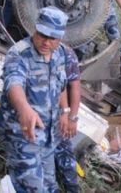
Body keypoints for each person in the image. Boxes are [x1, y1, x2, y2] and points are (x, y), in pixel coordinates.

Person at [0, 6, 70, 192]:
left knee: (49, 186)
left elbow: (61, 85)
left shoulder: (60, 53)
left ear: (60, 38)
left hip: (47, 135)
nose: (45, 42)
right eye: (42, 34)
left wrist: (65, 111)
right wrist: (24, 109)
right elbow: (13, 84)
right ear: (35, 29)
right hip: (22, 134)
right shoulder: (19, 53)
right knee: (32, 188)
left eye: (52, 38)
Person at [54, 45, 81, 193]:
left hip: (58, 117)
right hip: (37, 115)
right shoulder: (27, 50)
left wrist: (71, 117)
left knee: (65, 154)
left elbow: (73, 86)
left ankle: (72, 189)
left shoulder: (66, 53)